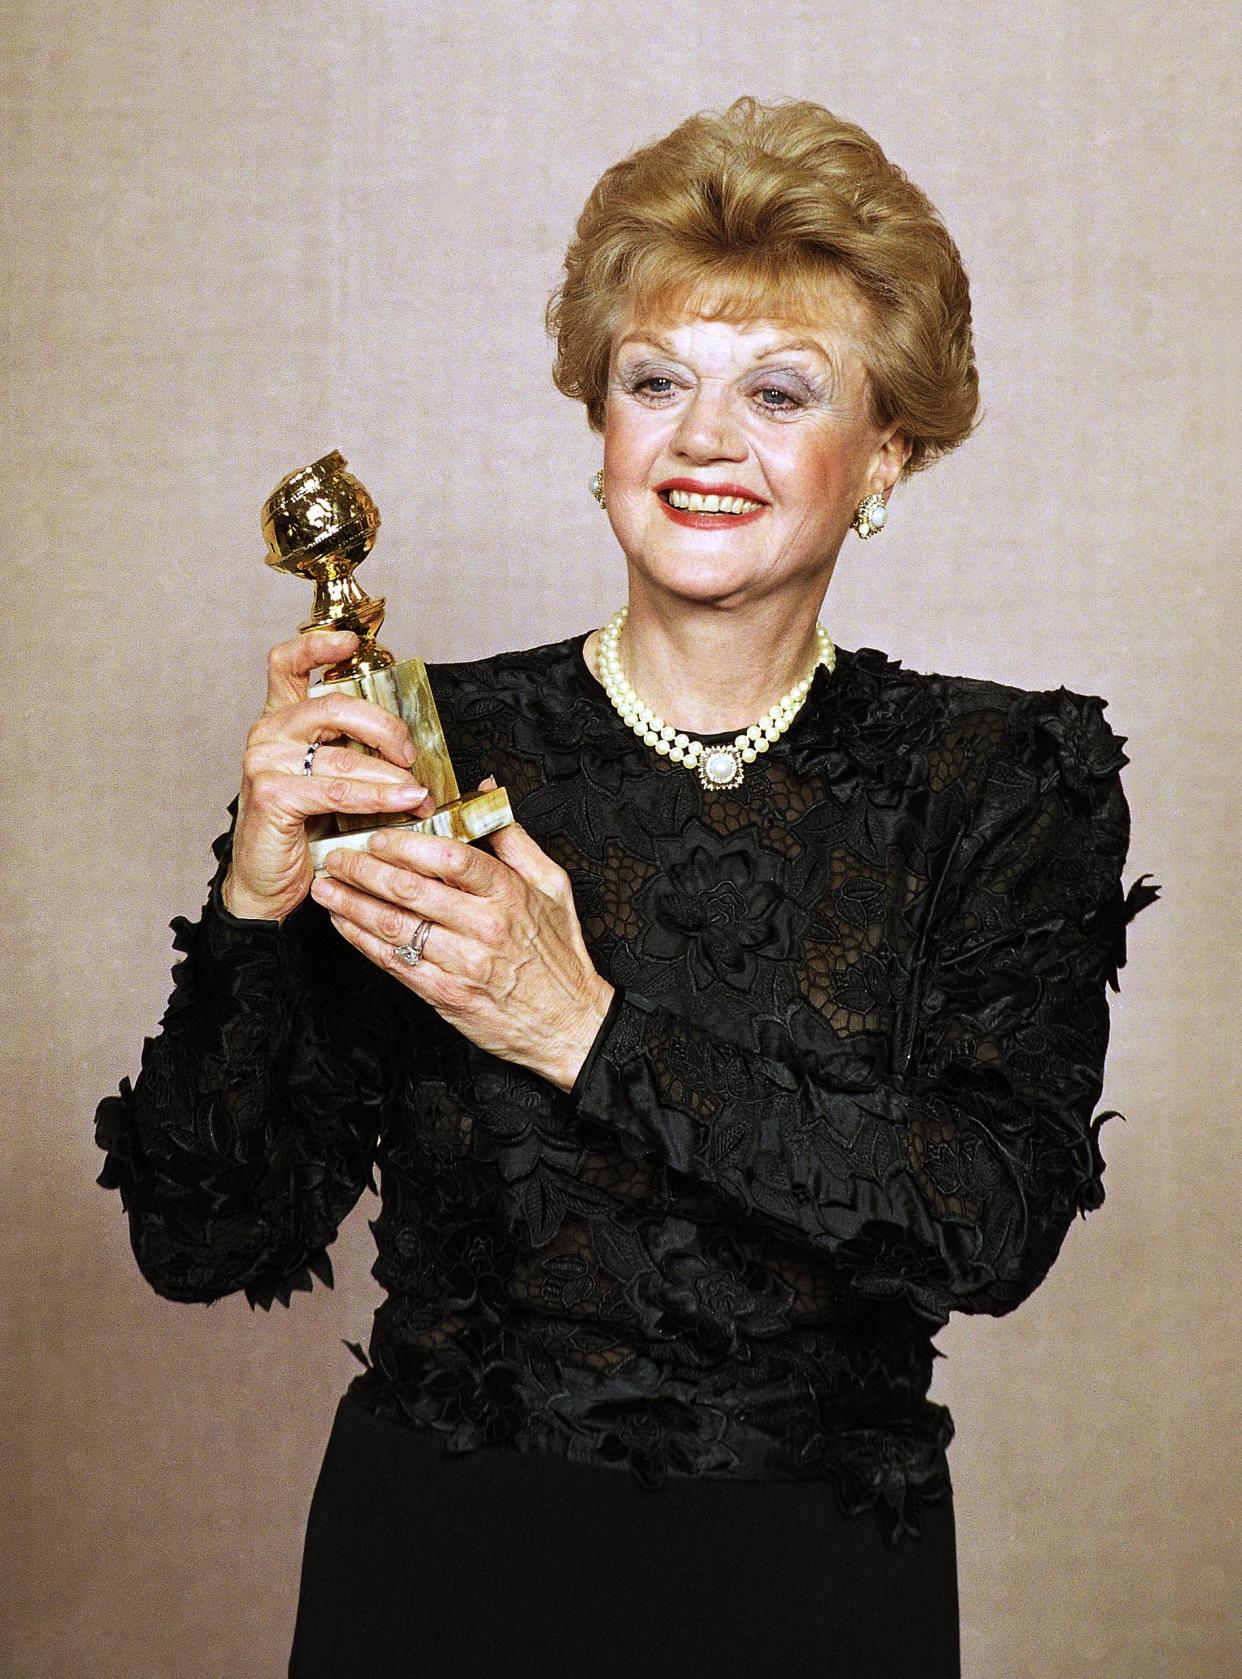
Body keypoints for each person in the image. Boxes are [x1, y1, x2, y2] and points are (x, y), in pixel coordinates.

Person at [95, 96, 1160, 1678]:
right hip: (438, 1572)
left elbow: (985, 1227)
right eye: (655, 383)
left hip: (807, 1594)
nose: (703, 442)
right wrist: (256, 900)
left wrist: (575, 1021)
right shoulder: (431, 739)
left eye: (778, 392)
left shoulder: (1001, 782)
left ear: (886, 455)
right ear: (600, 427)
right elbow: (204, 1240)